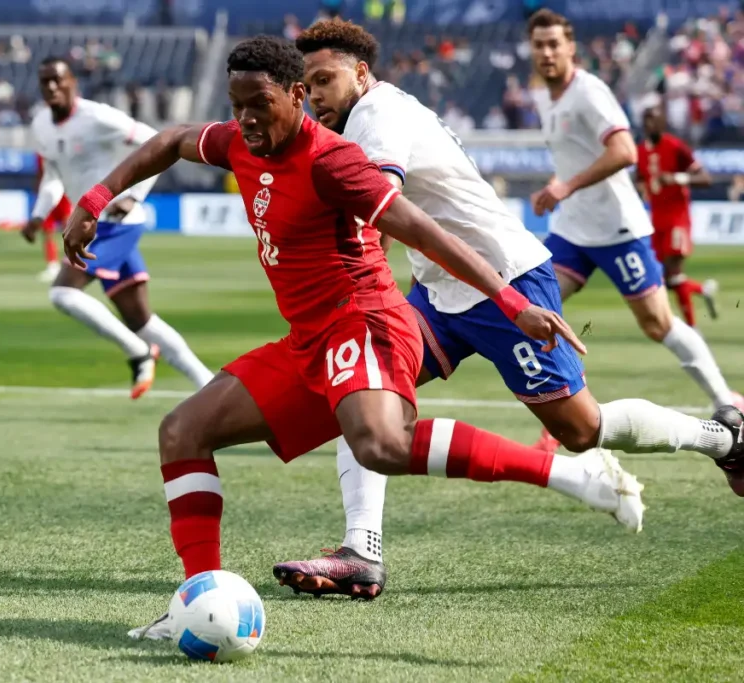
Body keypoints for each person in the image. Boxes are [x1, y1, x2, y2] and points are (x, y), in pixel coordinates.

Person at [61, 36, 652, 641]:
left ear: (295, 96)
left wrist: (512, 301)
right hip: (309, 339)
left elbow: (419, 228)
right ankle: (198, 600)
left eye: (259, 103)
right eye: (236, 104)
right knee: (182, 432)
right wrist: (96, 199)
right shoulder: (241, 140)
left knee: (379, 445)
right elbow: (167, 141)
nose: (246, 118)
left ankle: (573, 476)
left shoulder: (331, 160)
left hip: (365, 321)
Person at [270, 19, 744, 600]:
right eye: (308, 84)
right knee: (365, 397)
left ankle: (723, 439)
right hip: (442, 293)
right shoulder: (370, 115)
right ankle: (361, 549)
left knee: (583, 429)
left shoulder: (376, 118)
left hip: (505, 283)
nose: (316, 95)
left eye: (326, 79)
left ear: (361, 73)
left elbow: (380, 214)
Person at [525, 10, 744, 446]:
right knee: (536, 314)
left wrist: (566, 185)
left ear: (571, 48)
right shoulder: (545, 97)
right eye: (539, 45)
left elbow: (625, 151)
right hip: (573, 232)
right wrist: (560, 183)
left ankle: (728, 401)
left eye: (555, 44)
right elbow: (575, 157)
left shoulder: (588, 91)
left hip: (619, 229)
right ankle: (564, 417)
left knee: (657, 324)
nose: (547, 52)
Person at [22, 56, 213, 399]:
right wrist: (39, 215)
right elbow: (53, 175)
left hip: (113, 221)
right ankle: (210, 385)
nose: (51, 87)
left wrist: (135, 195)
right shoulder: (41, 125)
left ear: (72, 84)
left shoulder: (96, 117)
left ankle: (138, 351)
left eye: (58, 80)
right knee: (143, 320)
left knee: (63, 293)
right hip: (90, 224)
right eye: (44, 82)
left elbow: (157, 142)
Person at [637, 105, 717, 327]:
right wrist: (640, 187)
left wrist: (677, 179)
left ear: (663, 123)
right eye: (646, 121)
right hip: (656, 222)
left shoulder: (675, 147)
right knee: (665, 279)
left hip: (677, 219)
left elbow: (706, 179)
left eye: (653, 120)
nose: (649, 125)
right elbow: (638, 180)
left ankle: (692, 329)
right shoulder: (641, 150)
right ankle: (702, 290)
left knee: (674, 273)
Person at [33, 153, 71, 283]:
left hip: (64, 192)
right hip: (46, 194)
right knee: (47, 230)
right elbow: (40, 173)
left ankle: (71, 262)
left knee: (69, 228)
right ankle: (52, 266)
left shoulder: (65, 146)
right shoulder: (39, 153)